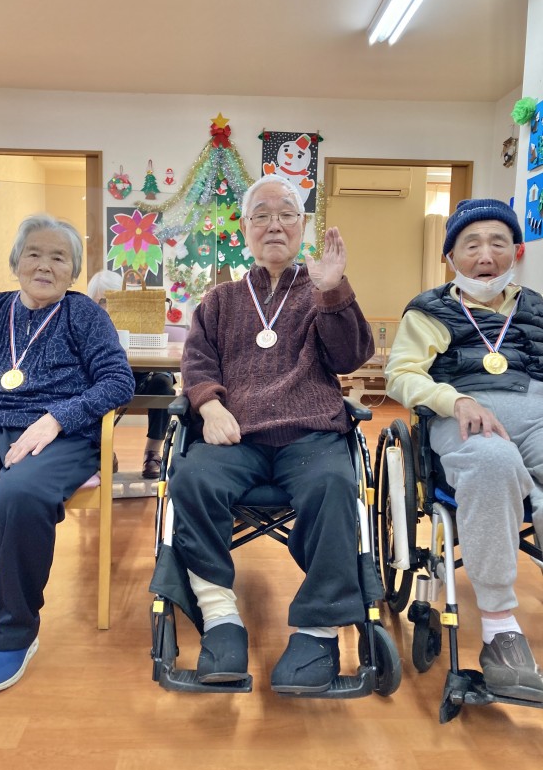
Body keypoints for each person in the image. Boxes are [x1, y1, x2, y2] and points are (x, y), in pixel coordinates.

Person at [167, 175, 374, 693]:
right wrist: (209, 405)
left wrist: (334, 293)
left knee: (334, 485)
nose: (274, 224)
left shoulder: (322, 289)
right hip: (236, 434)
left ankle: (318, 631)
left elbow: (350, 357)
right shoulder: (220, 300)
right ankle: (220, 617)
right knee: (192, 479)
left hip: (310, 434)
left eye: (286, 214)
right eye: (261, 215)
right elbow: (196, 361)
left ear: (302, 226)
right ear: (245, 228)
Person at [0, 214, 135, 692]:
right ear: (16, 262)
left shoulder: (84, 315)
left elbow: (118, 381)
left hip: (60, 435)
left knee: (18, 498)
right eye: (34, 253)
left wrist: (58, 417)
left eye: (58, 257)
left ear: (73, 272)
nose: (44, 265)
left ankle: (13, 633)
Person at [385, 198, 543, 703]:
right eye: (471, 245)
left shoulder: (536, 308)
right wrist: (454, 400)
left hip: (536, 412)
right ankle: (500, 628)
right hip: (463, 414)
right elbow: (401, 375)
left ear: (517, 251)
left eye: (498, 243)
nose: (485, 256)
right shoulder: (431, 309)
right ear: (450, 256)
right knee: (494, 462)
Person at [87, 270, 175, 479]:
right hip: (106, 380)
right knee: (87, 389)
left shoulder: (137, 316)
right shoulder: (89, 323)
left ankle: (152, 453)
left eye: (111, 299)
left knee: (163, 385)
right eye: (101, 301)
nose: (106, 306)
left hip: (141, 378)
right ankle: (103, 451)